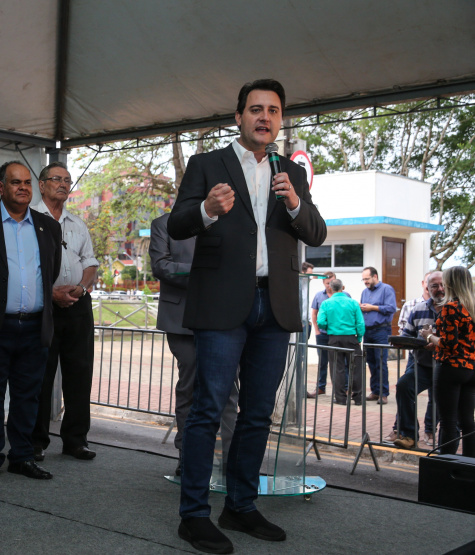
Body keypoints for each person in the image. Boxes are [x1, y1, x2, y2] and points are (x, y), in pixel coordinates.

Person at [167, 79, 326, 553]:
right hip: (221, 304)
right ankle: (194, 515)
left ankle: (240, 505)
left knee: (257, 413)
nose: (264, 117)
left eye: (273, 110)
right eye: (255, 109)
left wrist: (294, 203)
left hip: (274, 306)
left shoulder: (289, 173)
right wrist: (206, 209)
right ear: (238, 117)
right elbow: (177, 223)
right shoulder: (206, 164)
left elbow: (316, 233)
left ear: (280, 120)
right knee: (208, 410)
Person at [0, 161, 61, 485]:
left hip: (34, 327)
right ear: (1, 187)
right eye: (15, 182)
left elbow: (50, 271)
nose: (23, 188)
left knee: (28, 396)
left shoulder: (48, 227)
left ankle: (22, 456)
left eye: (27, 183)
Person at [149, 213, 238, 477]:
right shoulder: (164, 224)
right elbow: (160, 266)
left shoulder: (229, 221)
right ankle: (188, 456)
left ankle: (231, 459)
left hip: (223, 316)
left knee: (228, 389)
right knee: (190, 387)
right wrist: (202, 271)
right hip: (181, 319)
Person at [31, 161, 100, 462]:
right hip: (43, 304)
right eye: (56, 179)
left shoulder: (77, 223)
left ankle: (75, 440)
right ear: (42, 184)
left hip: (78, 305)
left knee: (80, 374)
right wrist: (51, 293)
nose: (63, 184)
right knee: (40, 376)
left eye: (67, 180)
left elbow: (91, 262)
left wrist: (82, 288)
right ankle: (35, 441)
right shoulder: (30, 219)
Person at [421, 266, 475, 457]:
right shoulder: (472, 306)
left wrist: (429, 336)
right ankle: (469, 464)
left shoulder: (451, 307)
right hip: (471, 368)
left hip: (451, 368)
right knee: (468, 420)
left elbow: (448, 344)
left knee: (448, 420)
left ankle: (446, 464)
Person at [392, 271, 444, 449]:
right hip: (422, 364)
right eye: (435, 286)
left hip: (446, 366)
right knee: (403, 386)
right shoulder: (418, 309)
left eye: (443, 285)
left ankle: (440, 439)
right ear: (427, 288)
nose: (440, 289)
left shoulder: (454, 308)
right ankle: (409, 434)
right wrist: (401, 342)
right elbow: (407, 335)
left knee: (442, 401)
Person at [317, 279, 365, 405]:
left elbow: (320, 322)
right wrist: (359, 338)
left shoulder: (326, 303)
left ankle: (340, 398)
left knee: (337, 368)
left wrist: (329, 327)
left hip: (334, 338)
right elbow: (360, 323)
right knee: (356, 368)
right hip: (351, 338)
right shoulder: (353, 303)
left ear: (330, 288)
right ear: (343, 287)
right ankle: (358, 398)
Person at [308, 272, 352, 398]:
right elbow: (314, 314)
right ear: (323, 283)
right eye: (328, 283)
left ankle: (344, 388)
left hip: (338, 334)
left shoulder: (346, 295)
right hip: (323, 334)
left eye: (332, 282)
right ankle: (320, 387)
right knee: (322, 362)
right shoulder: (319, 296)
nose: (330, 285)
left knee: (342, 362)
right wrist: (317, 331)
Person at [360, 267, 397, 404]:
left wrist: (372, 307)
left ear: (375, 276)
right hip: (367, 331)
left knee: (381, 362)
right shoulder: (364, 292)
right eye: (363, 279)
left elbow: (391, 308)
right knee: (371, 362)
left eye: (367, 279)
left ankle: (383, 393)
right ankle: (375, 391)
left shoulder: (386, 289)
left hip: (381, 330)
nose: (365, 282)